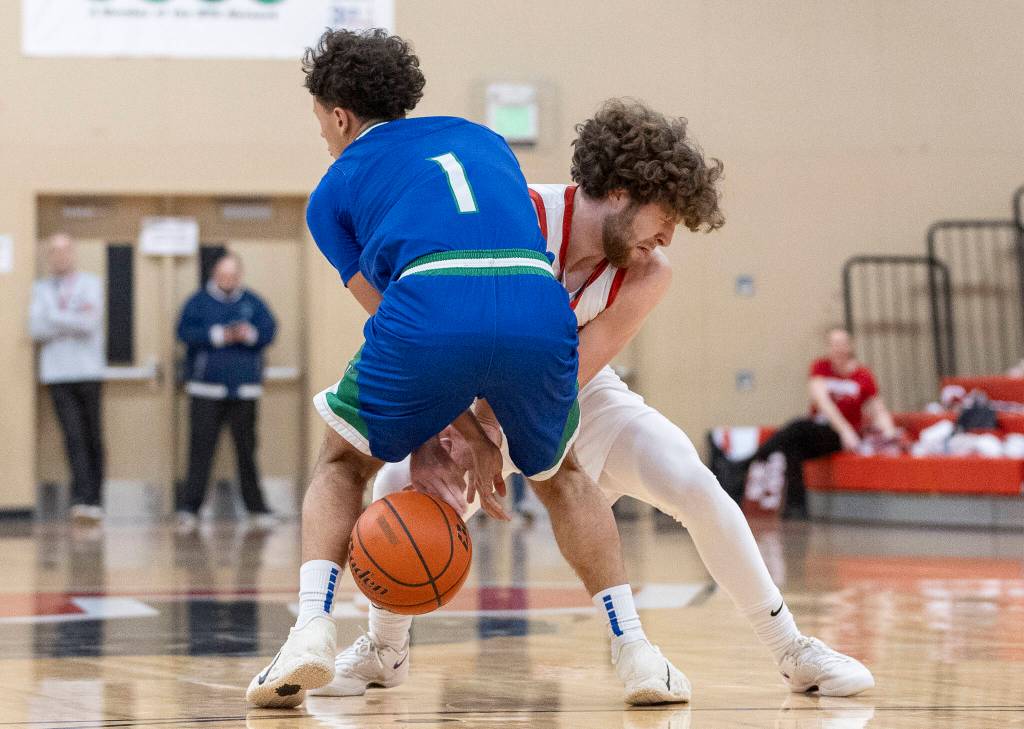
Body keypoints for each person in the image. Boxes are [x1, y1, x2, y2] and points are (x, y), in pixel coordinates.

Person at [318, 101, 875, 700]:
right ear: (616, 188)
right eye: (664, 217)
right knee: (396, 488)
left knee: (691, 478)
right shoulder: (516, 212)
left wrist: (488, 431)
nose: (666, 237)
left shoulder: (649, 272)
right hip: (471, 381)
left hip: (573, 385)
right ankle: (385, 650)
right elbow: (430, 326)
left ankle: (792, 650)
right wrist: (459, 428)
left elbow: (579, 364)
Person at [246, 30, 688, 708]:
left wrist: (464, 426)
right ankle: (637, 652)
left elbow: (393, 318)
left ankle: (311, 628)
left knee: (341, 463)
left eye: (321, 122)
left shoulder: (331, 190)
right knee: (564, 477)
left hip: (430, 296)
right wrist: (485, 432)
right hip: (537, 303)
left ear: (337, 116)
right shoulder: (484, 139)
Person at [174, 252, 278, 532]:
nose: (228, 280)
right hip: (205, 390)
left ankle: (256, 507)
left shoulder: (253, 303)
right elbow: (184, 333)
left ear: (239, 275)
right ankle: (189, 507)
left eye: (233, 275)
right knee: (200, 451)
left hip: (244, 391)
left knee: (247, 450)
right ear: (214, 275)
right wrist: (219, 335)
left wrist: (248, 334)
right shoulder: (198, 303)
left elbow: (269, 331)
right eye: (223, 275)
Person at [744, 328, 897, 517]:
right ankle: (797, 510)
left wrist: (891, 435)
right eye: (834, 344)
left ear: (850, 346)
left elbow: (878, 409)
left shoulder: (863, 376)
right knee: (794, 446)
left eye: (842, 344)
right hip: (820, 430)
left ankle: (747, 462)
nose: (838, 349)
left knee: (797, 428)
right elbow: (823, 402)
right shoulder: (821, 367)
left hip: (840, 438)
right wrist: (843, 428)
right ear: (828, 347)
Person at [28, 233, 106, 525]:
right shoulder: (40, 288)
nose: (60, 257)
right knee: (72, 437)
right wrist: (70, 317)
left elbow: (89, 324)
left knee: (92, 436)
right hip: (57, 373)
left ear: (73, 253)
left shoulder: (91, 284)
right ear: (50, 256)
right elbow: (36, 328)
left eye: (65, 251)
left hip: (88, 371)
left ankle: (96, 499)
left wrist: (55, 317)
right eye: (54, 252)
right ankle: (80, 498)